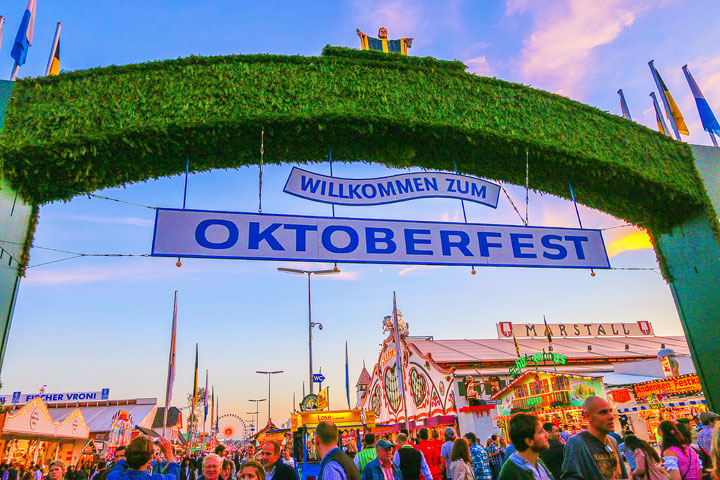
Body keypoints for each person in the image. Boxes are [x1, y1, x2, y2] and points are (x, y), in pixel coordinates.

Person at [561, 396, 628, 480]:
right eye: (603, 412)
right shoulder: (576, 444)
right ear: (588, 416)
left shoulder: (612, 441)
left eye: (610, 411)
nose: (611, 416)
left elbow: (623, 475)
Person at [498, 414, 552, 480]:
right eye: (540, 432)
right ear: (529, 441)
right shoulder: (510, 472)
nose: (547, 434)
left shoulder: (538, 462)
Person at [108, 437, 179, 480]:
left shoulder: (114, 477)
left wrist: (137, 444)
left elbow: (120, 463)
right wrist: (168, 452)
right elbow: (174, 474)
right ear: (151, 457)